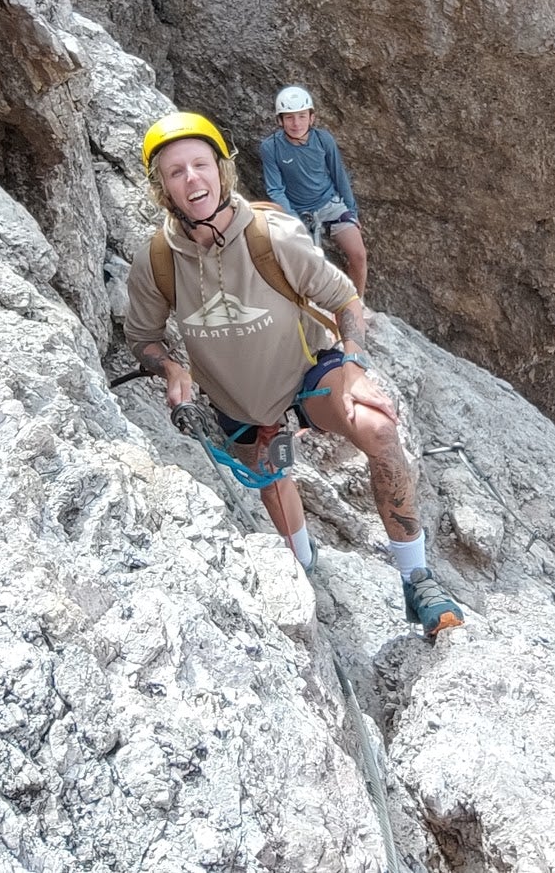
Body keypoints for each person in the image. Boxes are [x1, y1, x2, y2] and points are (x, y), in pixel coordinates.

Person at [124, 110, 464, 636]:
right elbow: (142, 338)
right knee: (273, 476)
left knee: (377, 428)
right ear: (163, 188)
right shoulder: (157, 260)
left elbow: (344, 299)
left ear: (220, 169)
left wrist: (352, 365)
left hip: (308, 375)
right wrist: (170, 367)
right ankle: (304, 571)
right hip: (241, 401)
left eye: (200, 164)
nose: (192, 178)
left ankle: (416, 578)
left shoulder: (271, 233)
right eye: (175, 172)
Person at [260, 85, 369, 297]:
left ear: (312, 118)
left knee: (359, 255)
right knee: (313, 266)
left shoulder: (323, 140)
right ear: (279, 120)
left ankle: (356, 304)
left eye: (302, 116)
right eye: (289, 117)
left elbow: (339, 175)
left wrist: (351, 211)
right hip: (299, 211)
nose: (296, 123)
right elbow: (275, 189)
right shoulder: (271, 147)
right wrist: (293, 222)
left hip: (329, 204)